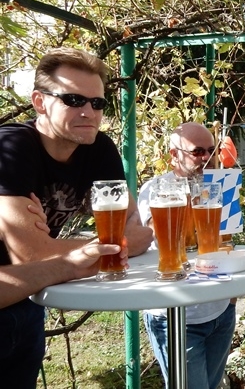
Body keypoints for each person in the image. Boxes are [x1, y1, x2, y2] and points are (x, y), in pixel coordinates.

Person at [0, 46, 153, 388]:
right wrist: (100, 247)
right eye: (73, 100)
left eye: (97, 103)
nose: (89, 112)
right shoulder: (11, 147)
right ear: (40, 102)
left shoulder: (97, 148)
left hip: (27, 297)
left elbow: (138, 230)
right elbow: (32, 254)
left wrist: (57, 248)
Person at [137, 122, 236, 389]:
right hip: (176, 316)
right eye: (197, 151)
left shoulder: (220, 186)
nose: (206, 157)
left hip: (220, 311)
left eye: (211, 150)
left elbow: (228, 243)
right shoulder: (157, 189)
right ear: (174, 155)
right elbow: (159, 236)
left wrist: (231, 300)